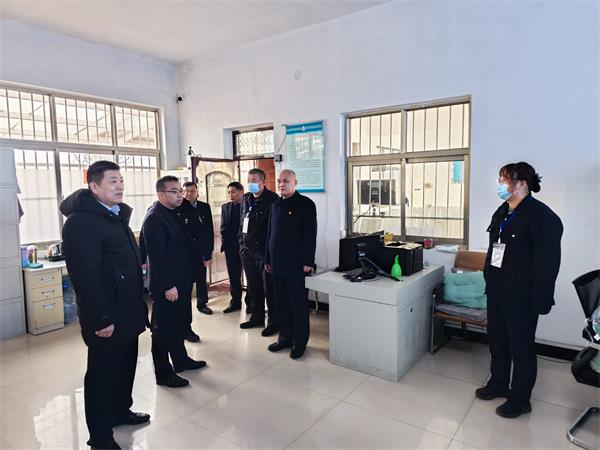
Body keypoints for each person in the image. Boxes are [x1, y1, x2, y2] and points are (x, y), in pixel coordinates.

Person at [61, 160, 149, 450]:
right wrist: (101, 318)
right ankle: (99, 436)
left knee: (125, 367)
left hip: (127, 310)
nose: (120, 185)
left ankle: (120, 411)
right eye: (113, 181)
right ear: (94, 186)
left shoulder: (115, 215)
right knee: (102, 376)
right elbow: (85, 276)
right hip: (106, 315)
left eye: (121, 180)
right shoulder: (80, 222)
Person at [476, 162, 563, 418]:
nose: (500, 185)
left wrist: (540, 300)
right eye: (500, 180)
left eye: (504, 180)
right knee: (498, 341)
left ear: (522, 184)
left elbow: (548, 265)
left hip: (522, 297)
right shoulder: (503, 211)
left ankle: (521, 399)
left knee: (521, 347)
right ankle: (499, 383)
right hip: (497, 290)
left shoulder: (544, 218)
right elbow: (495, 248)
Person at [140, 176, 207, 389]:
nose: (180, 195)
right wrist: (168, 286)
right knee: (162, 330)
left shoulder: (173, 212)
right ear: (161, 194)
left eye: (180, 190)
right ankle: (163, 373)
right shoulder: (155, 218)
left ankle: (181, 360)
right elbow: (157, 257)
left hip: (181, 281)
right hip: (167, 286)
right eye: (174, 191)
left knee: (178, 324)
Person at [265, 169, 317, 359]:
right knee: (281, 304)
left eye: (286, 181)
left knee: (298, 305)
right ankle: (284, 338)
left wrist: (308, 261)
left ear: (295, 183)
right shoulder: (275, 205)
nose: (282, 184)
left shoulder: (306, 204)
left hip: (296, 265)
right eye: (279, 181)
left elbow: (310, 234)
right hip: (276, 264)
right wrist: (267, 259)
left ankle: (299, 342)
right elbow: (269, 234)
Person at [239, 168, 279, 336]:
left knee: (269, 288)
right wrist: (241, 243)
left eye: (254, 180)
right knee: (253, 286)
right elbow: (242, 222)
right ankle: (257, 317)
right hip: (246, 250)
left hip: (263, 252)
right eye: (249, 180)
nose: (251, 183)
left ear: (262, 182)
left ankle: (274, 322)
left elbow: (275, 229)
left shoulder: (273, 200)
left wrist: (270, 254)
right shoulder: (246, 198)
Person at [178, 181, 214, 344]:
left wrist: (208, 252)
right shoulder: (178, 208)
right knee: (186, 284)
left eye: (192, 191)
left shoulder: (204, 207)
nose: (189, 194)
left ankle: (202, 303)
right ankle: (184, 324)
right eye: (186, 191)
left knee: (201, 277)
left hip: (201, 249)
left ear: (197, 192)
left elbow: (208, 231)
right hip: (185, 252)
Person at [220, 181, 245, 313]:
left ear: (242, 192)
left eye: (233, 192)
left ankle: (251, 303)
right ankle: (235, 302)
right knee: (234, 277)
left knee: (251, 278)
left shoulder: (248, 205)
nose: (231, 195)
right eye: (229, 192)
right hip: (231, 247)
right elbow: (223, 226)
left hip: (246, 247)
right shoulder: (225, 207)